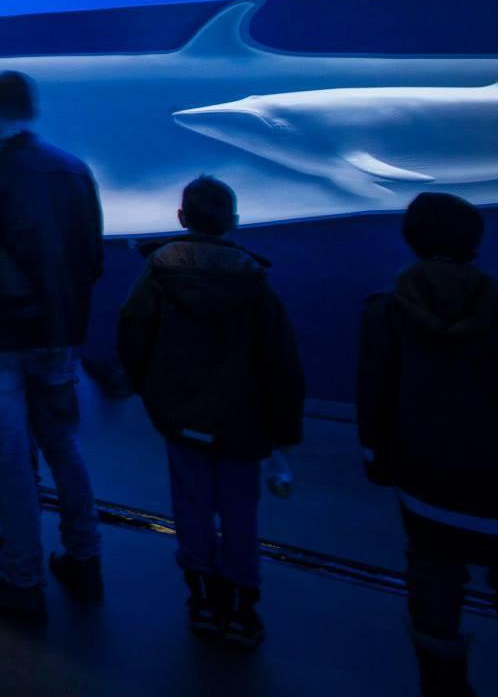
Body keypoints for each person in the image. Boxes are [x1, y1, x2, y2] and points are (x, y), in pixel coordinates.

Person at [357, 192, 498, 697]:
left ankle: (442, 686)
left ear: (410, 240)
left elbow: (374, 397)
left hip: (428, 490)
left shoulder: (385, 316)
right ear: (476, 244)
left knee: (433, 588)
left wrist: (378, 461)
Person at [0, 71, 106, 625]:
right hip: (58, 337)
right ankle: (85, 558)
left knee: (11, 458)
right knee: (64, 445)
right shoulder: (75, 170)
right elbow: (93, 261)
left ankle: (22, 578)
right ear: (32, 108)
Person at [116, 176, 305, 648]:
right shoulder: (255, 282)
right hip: (242, 423)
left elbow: (132, 335)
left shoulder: (159, 272)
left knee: (191, 506)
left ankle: (201, 598)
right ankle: (242, 608)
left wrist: (151, 394)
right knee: (240, 511)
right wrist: (283, 431)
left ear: (182, 218)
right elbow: (281, 361)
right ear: (234, 222)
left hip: (180, 418)